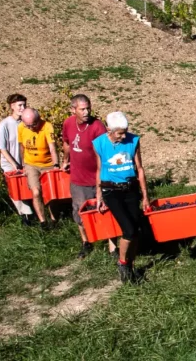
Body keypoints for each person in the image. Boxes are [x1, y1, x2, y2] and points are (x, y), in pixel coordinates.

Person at [93, 112, 149, 284]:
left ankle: (131, 266)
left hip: (130, 189)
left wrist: (145, 195)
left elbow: (139, 169)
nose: (123, 136)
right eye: (119, 133)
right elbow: (99, 170)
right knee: (128, 230)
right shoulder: (99, 144)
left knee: (136, 231)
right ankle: (122, 263)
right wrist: (99, 195)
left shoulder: (133, 140)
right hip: (112, 191)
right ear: (109, 129)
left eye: (125, 131)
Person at [61, 94, 109, 259]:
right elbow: (66, 143)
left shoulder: (97, 127)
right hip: (78, 178)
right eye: (82, 109)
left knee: (104, 209)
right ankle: (86, 242)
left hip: (97, 176)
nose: (87, 112)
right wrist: (65, 160)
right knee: (79, 211)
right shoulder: (68, 123)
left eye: (88, 108)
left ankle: (112, 246)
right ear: (73, 110)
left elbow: (105, 152)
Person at [0, 94, 34, 224]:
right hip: (10, 165)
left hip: (25, 163)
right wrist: (14, 164)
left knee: (27, 191)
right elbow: (2, 149)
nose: (22, 108)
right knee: (16, 193)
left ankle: (29, 217)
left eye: (24, 105)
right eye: (19, 105)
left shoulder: (26, 122)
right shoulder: (4, 125)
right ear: (12, 106)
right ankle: (27, 218)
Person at [18, 108, 58, 227]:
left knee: (51, 193)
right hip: (31, 163)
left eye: (33, 124)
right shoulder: (21, 127)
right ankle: (43, 222)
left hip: (47, 163)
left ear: (38, 119)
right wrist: (23, 165)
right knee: (36, 192)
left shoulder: (47, 126)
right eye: (28, 126)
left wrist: (55, 165)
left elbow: (52, 148)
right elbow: (22, 147)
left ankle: (54, 219)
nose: (31, 128)